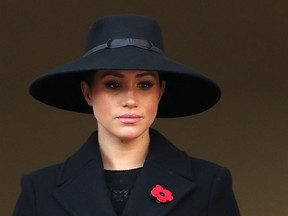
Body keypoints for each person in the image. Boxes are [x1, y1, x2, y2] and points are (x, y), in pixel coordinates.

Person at [13, 14, 240, 216]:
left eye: (144, 85)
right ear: (87, 92)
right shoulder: (39, 191)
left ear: (160, 92)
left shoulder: (208, 184)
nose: (130, 100)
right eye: (113, 85)